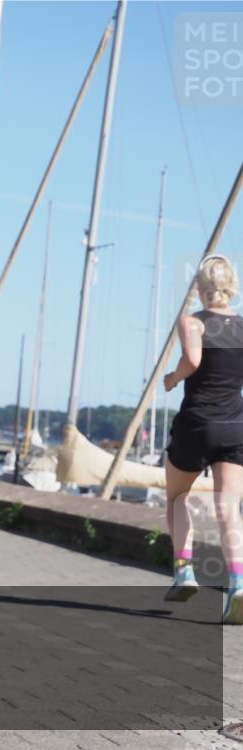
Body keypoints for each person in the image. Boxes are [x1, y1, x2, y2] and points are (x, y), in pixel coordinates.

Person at [161, 255, 242, 625]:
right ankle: (238, 585)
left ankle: (184, 571)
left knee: (178, 497)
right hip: (235, 425)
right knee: (229, 507)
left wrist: (173, 378)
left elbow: (192, 359)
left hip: (197, 423)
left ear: (201, 287)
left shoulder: (192, 321)